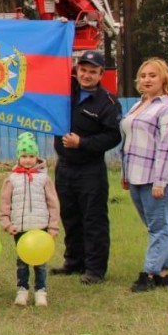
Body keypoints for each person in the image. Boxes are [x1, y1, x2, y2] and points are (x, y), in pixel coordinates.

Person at [51, 49, 122, 284]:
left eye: (93, 71)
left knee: (93, 219)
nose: (87, 75)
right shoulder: (65, 91)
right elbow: (48, 66)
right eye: (83, 70)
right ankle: (73, 262)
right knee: (69, 216)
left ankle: (95, 269)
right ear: (76, 70)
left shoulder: (108, 102)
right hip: (64, 167)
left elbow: (113, 137)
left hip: (90, 169)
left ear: (101, 74)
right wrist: (61, 27)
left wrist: (81, 143)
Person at [120, 58, 168, 293]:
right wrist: (125, 173)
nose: (147, 80)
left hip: (158, 178)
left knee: (158, 227)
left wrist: (160, 182)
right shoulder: (138, 105)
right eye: (143, 75)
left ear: (164, 79)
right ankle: (164, 273)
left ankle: (148, 274)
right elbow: (128, 141)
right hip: (137, 175)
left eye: (153, 75)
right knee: (155, 226)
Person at [0, 132, 60, 307]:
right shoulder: (11, 179)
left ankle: (41, 290)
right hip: (20, 228)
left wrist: (53, 226)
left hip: (40, 228)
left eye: (31, 156)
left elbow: (53, 203)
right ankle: (22, 290)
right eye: (24, 156)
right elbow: (5, 203)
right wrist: (7, 223)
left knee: (40, 263)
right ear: (18, 157)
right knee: (22, 261)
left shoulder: (44, 179)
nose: (27, 160)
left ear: (37, 156)